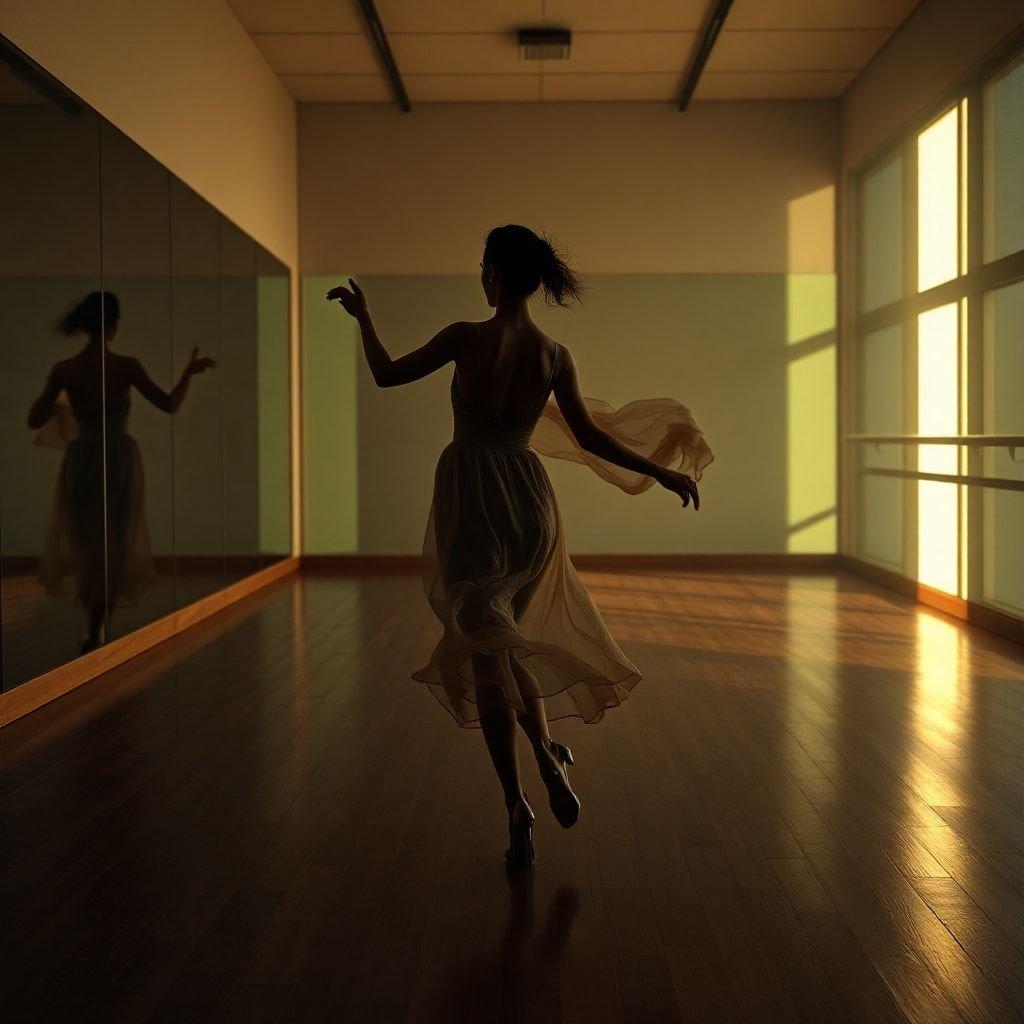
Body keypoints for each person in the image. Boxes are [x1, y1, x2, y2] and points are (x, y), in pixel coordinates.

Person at [327, 225, 712, 870]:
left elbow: (388, 375)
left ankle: (518, 800)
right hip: (530, 507)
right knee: (505, 641)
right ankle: (546, 751)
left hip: (472, 499)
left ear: (493, 275)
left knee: (487, 652)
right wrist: (662, 471)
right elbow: (589, 438)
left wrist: (365, 317)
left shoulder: (466, 337)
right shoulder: (554, 354)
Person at [27, 291, 216, 653]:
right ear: (113, 326)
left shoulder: (65, 370)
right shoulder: (126, 366)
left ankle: (93, 627)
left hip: (81, 459)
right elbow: (170, 404)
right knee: (114, 542)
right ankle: (99, 626)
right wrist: (189, 373)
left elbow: (33, 418)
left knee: (87, 543)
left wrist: (59, 400)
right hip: (118, 460)